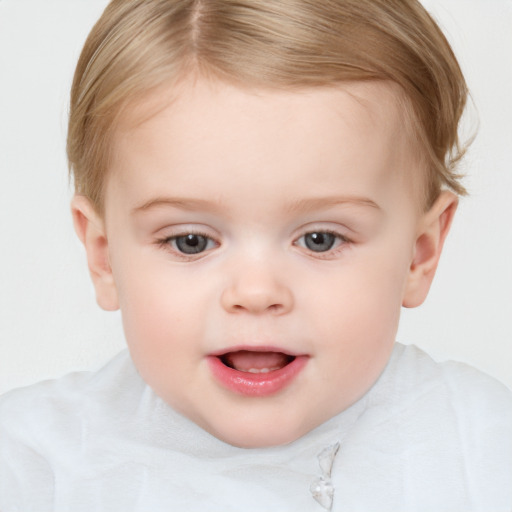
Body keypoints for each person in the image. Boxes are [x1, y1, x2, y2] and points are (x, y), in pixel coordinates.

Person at [0, 0, 511, 510]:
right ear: (104, 256)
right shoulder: (32, 468)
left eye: (320, 239)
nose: (257, 292)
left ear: (419, 254)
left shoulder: (485, 452)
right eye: (191, 241)